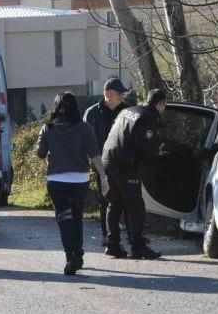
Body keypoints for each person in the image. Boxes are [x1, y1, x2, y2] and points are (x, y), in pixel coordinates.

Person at [37, 92, 108, 275]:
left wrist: (45, 142)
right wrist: (103, 177)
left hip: (57, 180)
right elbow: (95, 155)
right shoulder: (84, 128)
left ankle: (71, 257)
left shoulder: (48, 128)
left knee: (64, 219)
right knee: (76, 217)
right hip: (80, 180)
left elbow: (41, 153)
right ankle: (79, 252)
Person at [101, 88, 167, 260]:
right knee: (136, 204)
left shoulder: (128, 110)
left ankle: (112, 244)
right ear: (160, 103)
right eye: (164, 105)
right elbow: (141, 143)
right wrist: (156, 150)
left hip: (107, 158)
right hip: (124, 164)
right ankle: (137, 246)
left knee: (114, 203)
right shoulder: (148, 117)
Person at [82, 78, 131, 247]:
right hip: (101, 163)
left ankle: (130, 236)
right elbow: (85, 139)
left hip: (124, 163)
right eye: (119, 93)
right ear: (107, 93)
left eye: (123, 93)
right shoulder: (92, 113)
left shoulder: (127, 111)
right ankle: (107, 234)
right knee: (106, 200)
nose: (122, 96)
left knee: (127, 200)